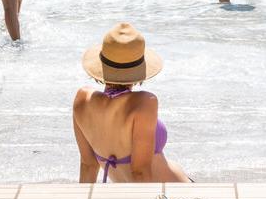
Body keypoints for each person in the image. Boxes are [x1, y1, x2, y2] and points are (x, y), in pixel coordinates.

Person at [74, 22, 190, 184]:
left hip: (133, 197)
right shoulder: (143, 102)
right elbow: (140, 172)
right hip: (173, 198)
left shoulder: (82, 99)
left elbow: (88, 166)